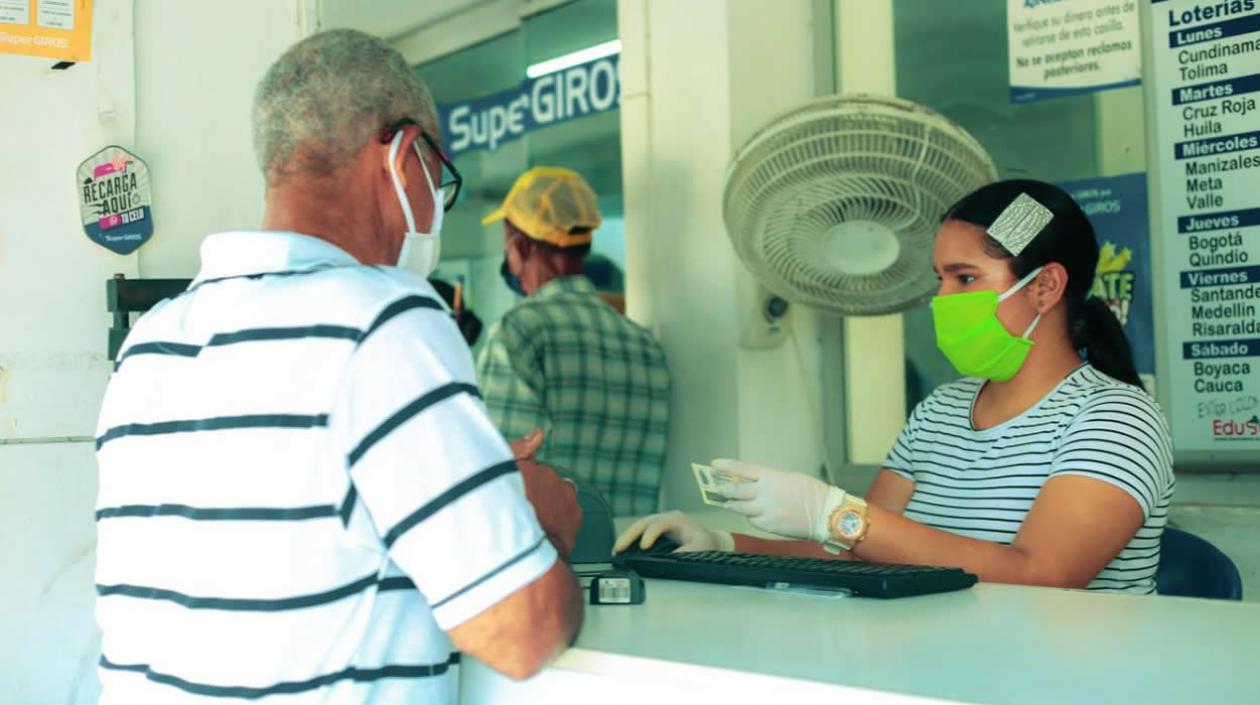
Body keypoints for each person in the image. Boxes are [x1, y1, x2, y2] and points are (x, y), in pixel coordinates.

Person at [94, 30, 583, 704]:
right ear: (405, 154)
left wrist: (456, 478)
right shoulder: (383, 319)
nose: (435, 196)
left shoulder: (150, 346)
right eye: (437, 174)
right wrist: (540, 516)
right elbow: (524, 633)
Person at [618, 179, 1175, 594]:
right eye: (940, 279)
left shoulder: (1115, 419)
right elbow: (861, 550)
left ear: (1046, 286)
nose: (942, 299)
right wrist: (722, 545)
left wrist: (834, 514)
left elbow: (1045, 574)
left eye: (966, 278)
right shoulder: (942, 411)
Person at [477, 167, 671, 517]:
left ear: (519, 247)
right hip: (627, 557)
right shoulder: (643, 345)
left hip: (546, 561)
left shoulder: (518, 332)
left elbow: (499, 468)